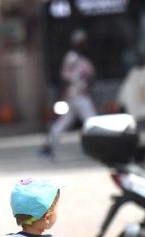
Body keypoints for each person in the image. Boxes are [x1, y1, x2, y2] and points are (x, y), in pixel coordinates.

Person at [42, 29, 96, 160]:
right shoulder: (71, 57)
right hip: (76, 95)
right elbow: (65, 78)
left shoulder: (83, 59)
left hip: (78, 95)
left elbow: (89, 77)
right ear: (78, 43)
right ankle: (102, 146)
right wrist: (61, 95)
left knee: (65, 122)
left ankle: (49, 145)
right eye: (83, 42)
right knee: (93, 121)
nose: (85, 45)